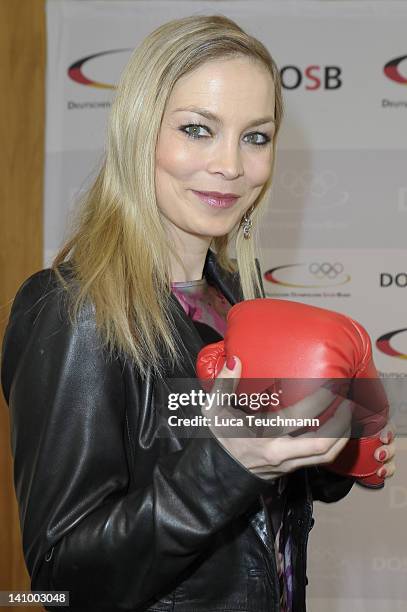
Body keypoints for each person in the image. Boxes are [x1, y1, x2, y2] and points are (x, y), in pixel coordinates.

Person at [1, 15, 395, 612]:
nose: (232, 165)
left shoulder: (231, 299)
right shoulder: (73, 310)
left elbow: (251, 503)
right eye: (197, 129)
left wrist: (335, 451)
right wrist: (227, 465)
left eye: (255, 137)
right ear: (140, 135)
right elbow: (61, 582)